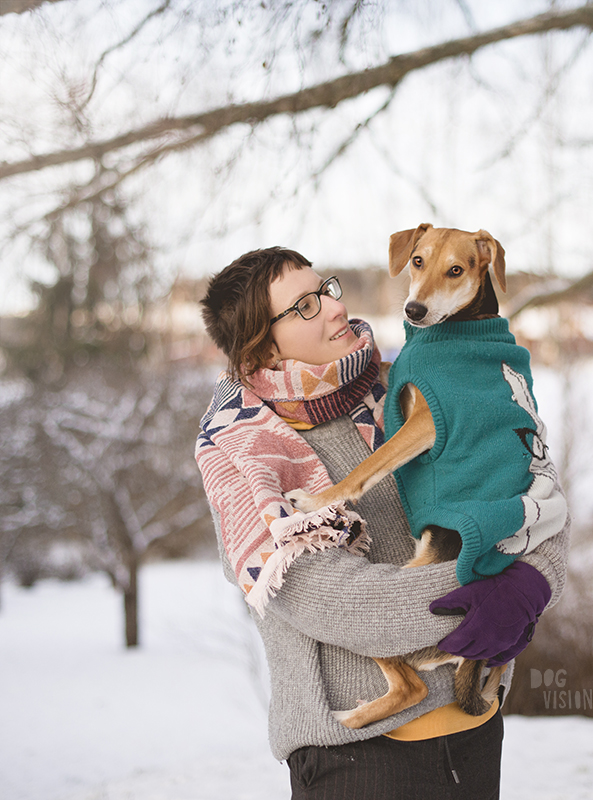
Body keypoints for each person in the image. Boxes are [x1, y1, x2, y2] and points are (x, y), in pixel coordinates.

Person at [195, 246, 570, 800]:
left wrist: (531, 582)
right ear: (262, 345)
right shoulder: (242, 449)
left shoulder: (411, 386)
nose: (331, 308)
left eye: (325, 288)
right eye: (304, 306)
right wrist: (487, 585)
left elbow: (537, 491)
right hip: (359, 761)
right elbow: (336, 602)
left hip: (475, 732)